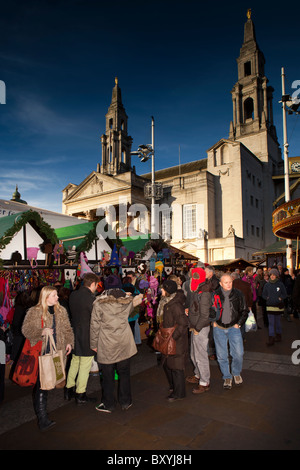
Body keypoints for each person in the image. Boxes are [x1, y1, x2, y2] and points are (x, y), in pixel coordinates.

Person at [21, 286, 74, 431]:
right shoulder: (35, 312)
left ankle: (43, 416)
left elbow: (68, 328)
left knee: (51, 382)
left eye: (57, 295)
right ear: (46, 297)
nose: (57, 297)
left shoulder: (61, 310)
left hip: (58, 352)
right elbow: (26, 329)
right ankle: (42, 418)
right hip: (42, 353)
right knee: (42, 385)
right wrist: (41, 331)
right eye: (54, 295)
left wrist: (69, 342)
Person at [90, 287, 143, 412]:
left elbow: (94, 326)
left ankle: (109, 404)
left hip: (107, 343)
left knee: (107, 376)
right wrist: (127, 296)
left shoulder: (99, 305)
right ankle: (126, 401)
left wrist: (93, 344)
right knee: (124, 373)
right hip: (124, 342)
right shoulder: (126, 303)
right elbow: (131, 304)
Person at [65, 272, 99, 405]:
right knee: (85, 364)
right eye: (96, 285)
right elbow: (95, 318)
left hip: (75, 332)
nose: (97, 287)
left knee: (74, 361)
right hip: (87, 334)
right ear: (92, 284)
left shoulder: (73, 294)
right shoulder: (91, 299)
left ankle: (68, 389)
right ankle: (80, 393)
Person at [212, 273, 248, 389]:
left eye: (230, 282)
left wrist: (239, 324)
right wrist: (213, 322)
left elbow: (244, 310)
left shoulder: (238, 294)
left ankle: (236, 373)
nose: (229, 284)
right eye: (226, 282)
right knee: (221, 355)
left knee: (238, 354)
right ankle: (227, 376)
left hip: (234, 328)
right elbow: (209, 310)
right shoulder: (215, 294)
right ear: (220, 284)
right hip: (219, 328)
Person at [159, 279, 188, 402]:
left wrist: (173, 337)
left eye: (163, 289)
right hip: (171, 339)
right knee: (169, 364)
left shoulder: (174, 305)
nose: (161, 290)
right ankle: (175, 388)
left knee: (176, 367)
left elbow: (183, 323)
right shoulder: (170, 303)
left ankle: (179, 393)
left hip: (176, 341)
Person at [185, 268, 212, 394]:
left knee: (200, 355)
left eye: (195, 276)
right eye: (192, 276)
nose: (192, 279)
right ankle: (198, 375)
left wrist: (197, 328)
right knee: (194, 354)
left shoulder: (204, 292)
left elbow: (205, 314)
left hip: (200, 327)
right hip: (195, 326)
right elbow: (196, 307)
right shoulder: (198, 289)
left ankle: (204, 382)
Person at [262, 268, 287, 346]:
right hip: (270, 306)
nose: (272, 276)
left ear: (277, 276)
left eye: (274, 275)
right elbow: (263, 294)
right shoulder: (267, 285)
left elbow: (285, 294)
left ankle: (279, 335)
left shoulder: (280, 284)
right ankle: (271, 339)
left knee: (278, 322)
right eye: (271, 275)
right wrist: (267, 298)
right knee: (271, 323)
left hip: (278, 306)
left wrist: (281, 298)